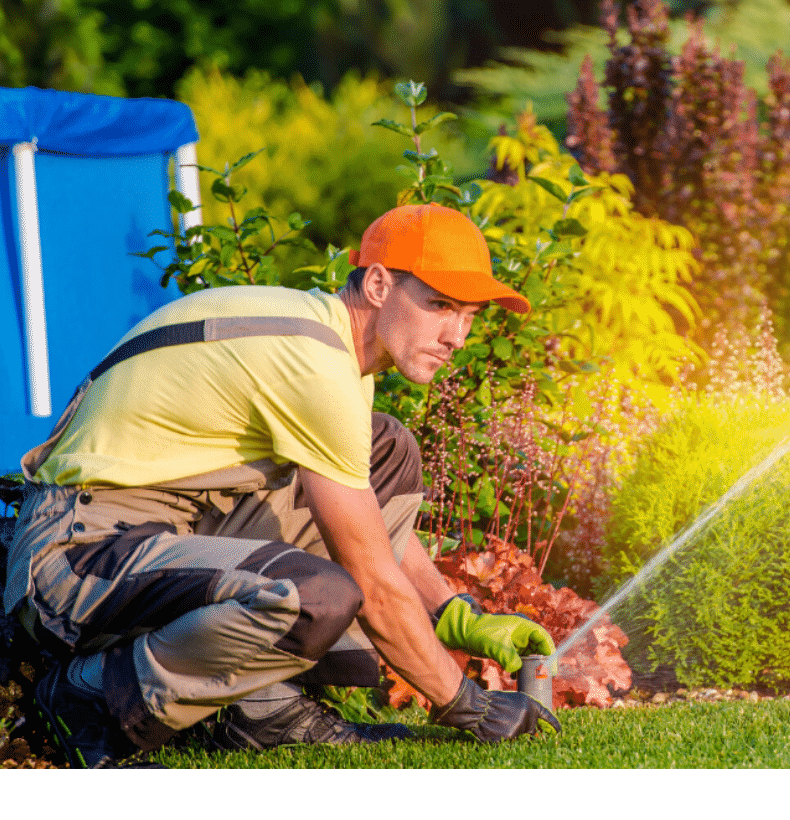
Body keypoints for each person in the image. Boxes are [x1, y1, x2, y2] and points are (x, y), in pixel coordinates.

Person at [2, 203, 560, 768]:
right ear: (377, 285)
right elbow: (371, 576)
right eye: (440, 306)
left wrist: (451, 611)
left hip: (159, 532)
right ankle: (92, 699)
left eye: (469, 315)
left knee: (385, 450)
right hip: (76, 556)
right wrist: (466, 704)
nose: (457, 337)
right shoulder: (313, 361)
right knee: (315, 599)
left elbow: (365, 524)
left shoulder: (329, 346)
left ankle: (260, 708)